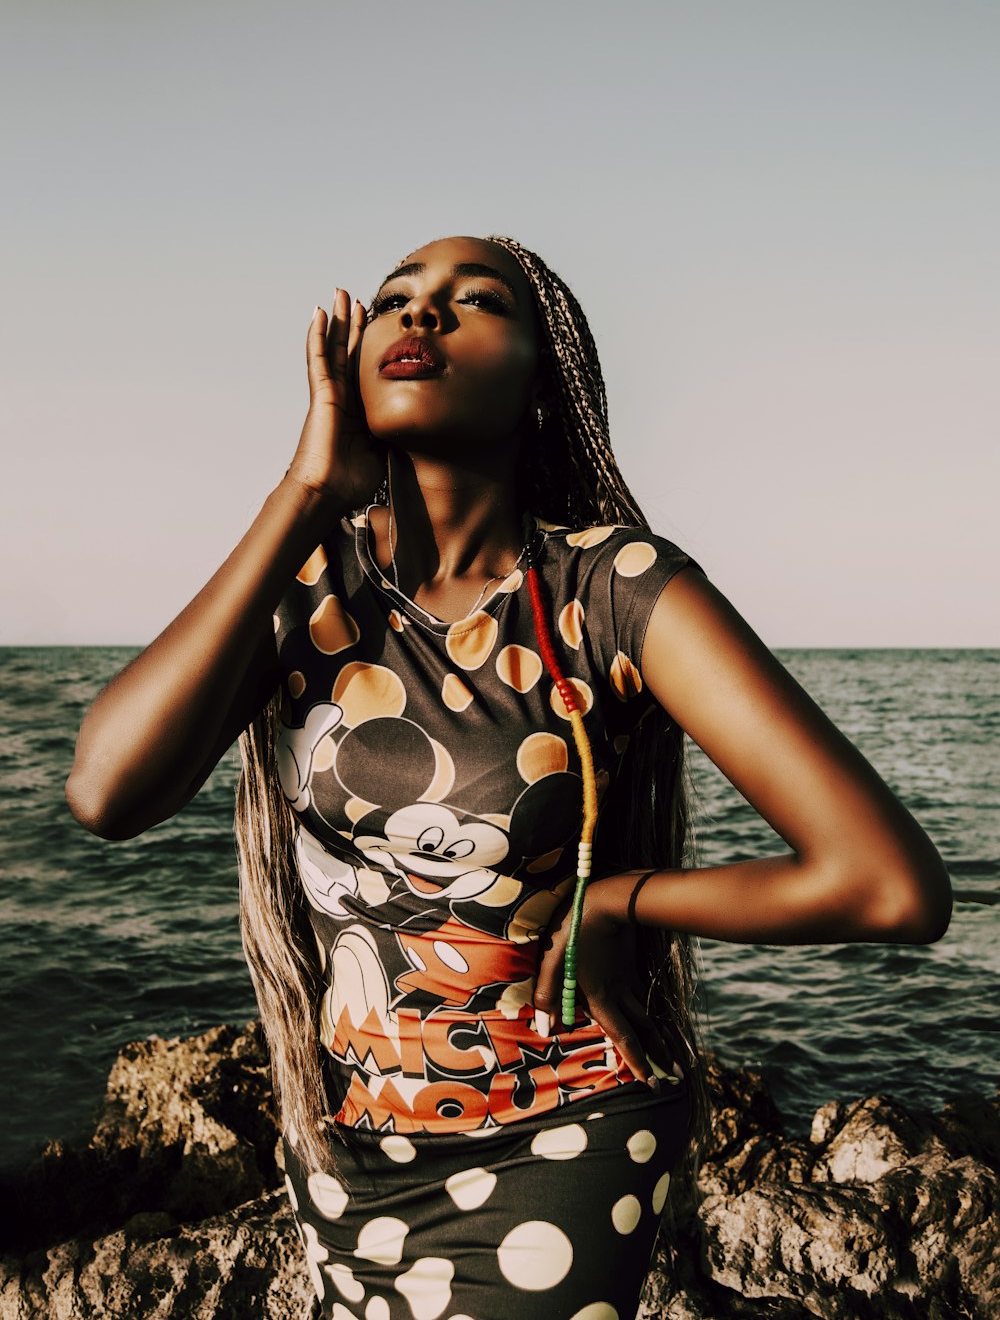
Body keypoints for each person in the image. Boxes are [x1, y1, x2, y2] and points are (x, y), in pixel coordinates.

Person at [66, 235, 952, 1320]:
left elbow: (887, 883)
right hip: (344, 1141)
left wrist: (622, 902)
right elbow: (105, 791)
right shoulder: (305, 585)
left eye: (472, 301)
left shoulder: (613, 587)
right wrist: (303, 490)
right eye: (396, 299)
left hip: (563, 1130)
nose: (420, 316)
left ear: (542, 388)